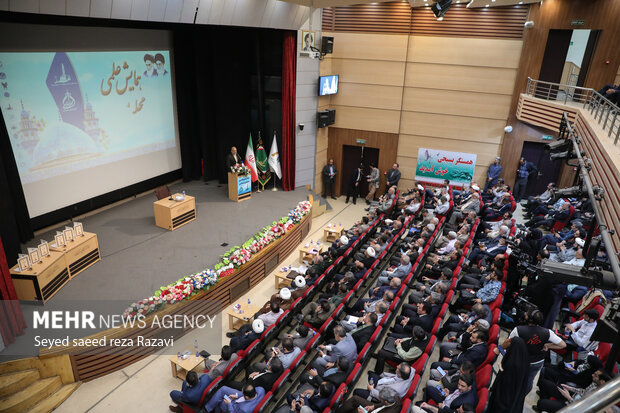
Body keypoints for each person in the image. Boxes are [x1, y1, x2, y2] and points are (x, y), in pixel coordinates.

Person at [499, 309, 566, 396]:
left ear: (529, 318)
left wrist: (501, 350)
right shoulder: (548, 332)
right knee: (529, 380)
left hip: (520, 360)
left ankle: (508, 395)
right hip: (536, 362)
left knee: (513, 378)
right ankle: (521, 396)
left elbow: (508, 343)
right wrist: (548, 346)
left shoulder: (518, 330)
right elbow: (563, 345)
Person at [487, 336, 530, 413]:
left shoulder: (512, 364)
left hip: (504, 398)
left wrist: (501, 368)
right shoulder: (523, 359)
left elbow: (506, 381)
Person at [412, 374, 477, 413]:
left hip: (445, 407)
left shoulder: (467, 403)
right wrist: (449, 393)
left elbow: (453, 412)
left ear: (469, 387)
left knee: (418, 404)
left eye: (462, 386)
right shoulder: (469, 383)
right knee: (429, 388)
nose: (459, 387)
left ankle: (425, 405)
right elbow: (455, 391)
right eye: (459, 384)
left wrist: (443, 407)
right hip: (447, 397)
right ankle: (425, 401)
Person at [336, 387, 401, 413]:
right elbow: (383, 404)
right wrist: (373, 406)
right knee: (355, 399)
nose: (380, 399)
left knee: (356, 411)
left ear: (386, 401)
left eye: (380, 399)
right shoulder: (395, 397)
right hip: (377, 408)